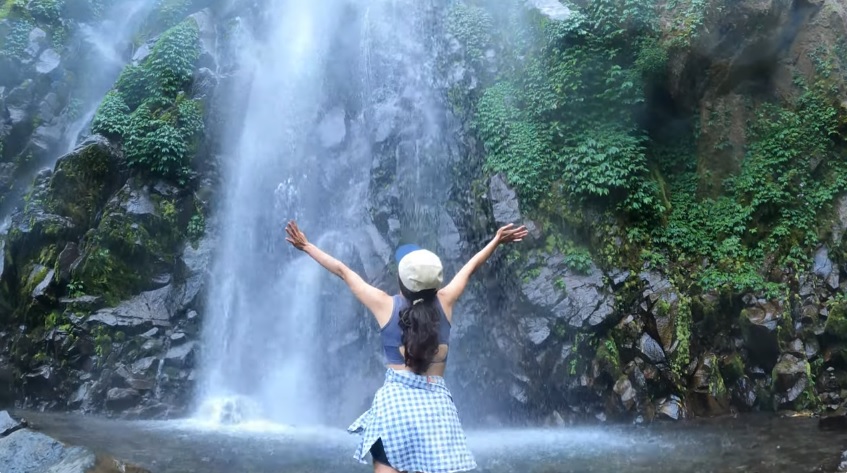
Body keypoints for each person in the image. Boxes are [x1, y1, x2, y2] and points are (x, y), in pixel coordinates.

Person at [284, 220, 529, 473]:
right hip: (436, 413)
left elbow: (344, 271)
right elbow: (471, 268)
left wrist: (307, 246)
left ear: (401, 281)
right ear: (436, 284)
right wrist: (496, 241)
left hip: (395, 409)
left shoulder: (383, 304)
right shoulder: (445, 301)